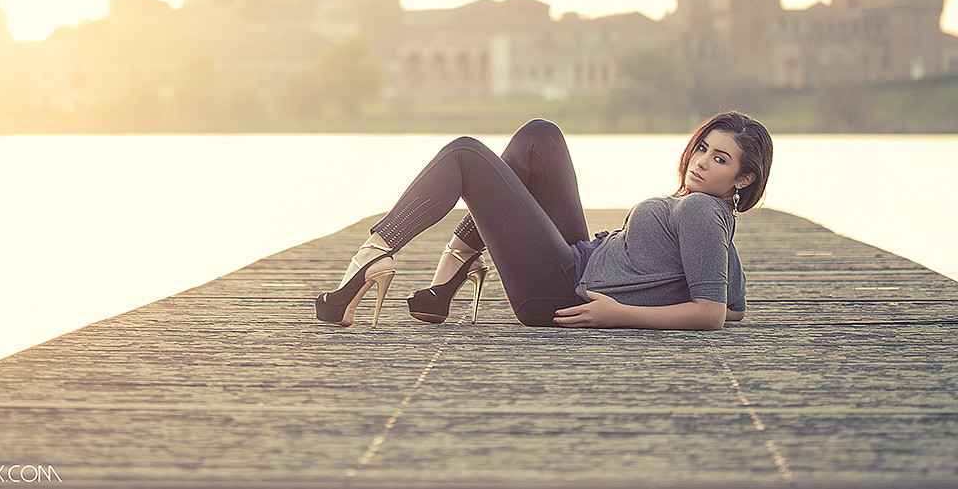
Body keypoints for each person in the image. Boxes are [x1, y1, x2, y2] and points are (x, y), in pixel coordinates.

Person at [314, 111, 773, 330]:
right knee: (541, 137)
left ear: (744, 178)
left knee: (465, 154)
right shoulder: (710, 215)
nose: (701, 161)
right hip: (580, 260)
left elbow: (712, 314)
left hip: (562, 292)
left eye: (720, 158)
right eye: (702, 148)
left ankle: (375, 252)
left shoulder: (702, 211)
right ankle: (455, 267)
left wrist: (618, 313)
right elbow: (734, 304)